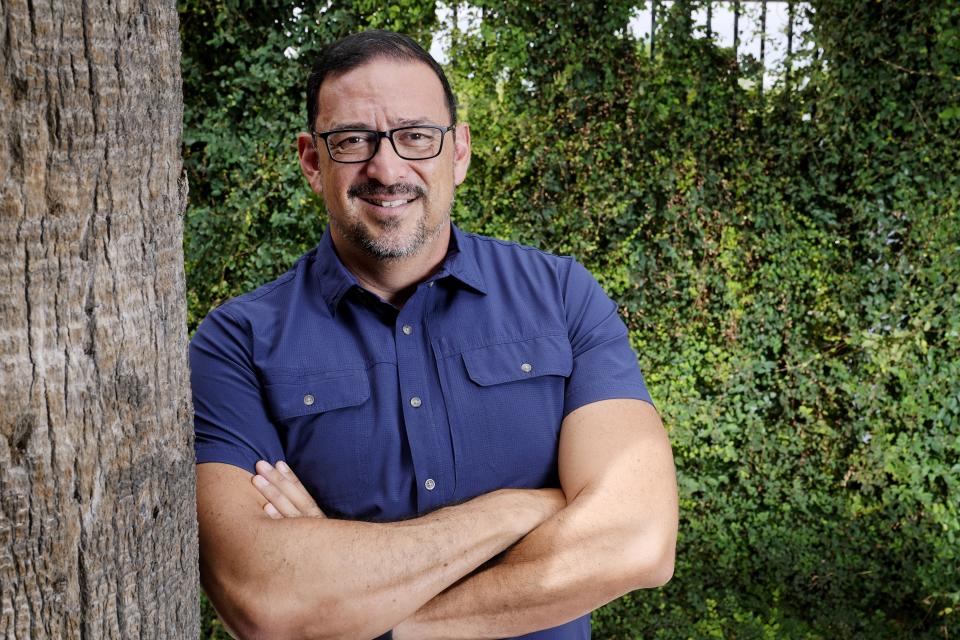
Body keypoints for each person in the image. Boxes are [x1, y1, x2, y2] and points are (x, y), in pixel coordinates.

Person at [191, 29, 678, 640]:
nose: (387, 167)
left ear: (459, 152)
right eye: (352, 141)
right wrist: (517, 509)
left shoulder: (560, 296)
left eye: (416, 136)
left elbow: (638, 538)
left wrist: (373, 620)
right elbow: (266, 595)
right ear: (313, 162)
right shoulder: (235, 343)